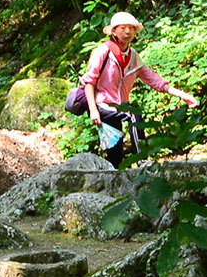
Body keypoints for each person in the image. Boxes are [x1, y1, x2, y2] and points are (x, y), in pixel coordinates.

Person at [82, 12, 198, 168]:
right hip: (102, 105)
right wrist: (93, 110)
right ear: (113, 31)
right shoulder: (103, 51)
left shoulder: (133, 57)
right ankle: (142, 160)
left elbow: (154, 80)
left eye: (131, 28)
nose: (128, 32)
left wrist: (183, 95)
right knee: (134, 114)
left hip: (119, 107)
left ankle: (113, 176)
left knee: (115, 156)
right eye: (123, 28)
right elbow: (89, 82)